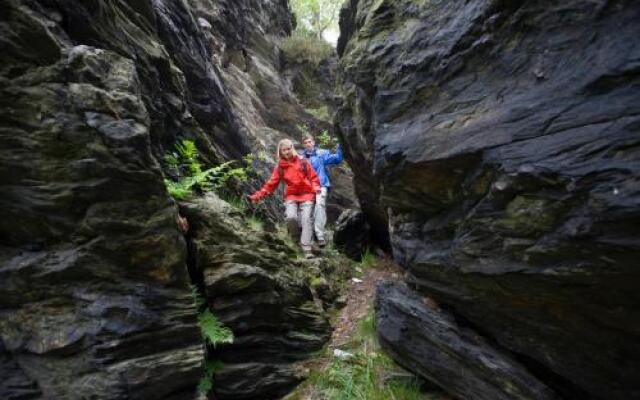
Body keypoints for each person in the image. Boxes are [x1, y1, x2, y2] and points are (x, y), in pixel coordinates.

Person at [249, 139, 321, 258]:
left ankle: (306, 248)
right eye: (284, 150)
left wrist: (316, 187)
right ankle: (296, 238)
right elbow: (271, 184)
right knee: (291, 218)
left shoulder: (303, 161)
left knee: (306, 219)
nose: (287, 152)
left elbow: (313, 177)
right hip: (291, 195)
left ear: (292, 148)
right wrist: (257, 196)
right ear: (280, 152)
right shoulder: (280, 167)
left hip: (307, 194)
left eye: (288, 149)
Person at [301, 134, 343, 248]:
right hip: (307, 188)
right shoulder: (301, 158)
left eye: (309, 142)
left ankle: (319, 235)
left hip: (321, 185)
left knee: (319, 205)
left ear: (313, 142)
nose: (308, 144)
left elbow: (338, 159)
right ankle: (306, 234)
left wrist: (341, 144)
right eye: (305, 143)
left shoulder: (322, 153)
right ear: (303, 145)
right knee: (307, 209)